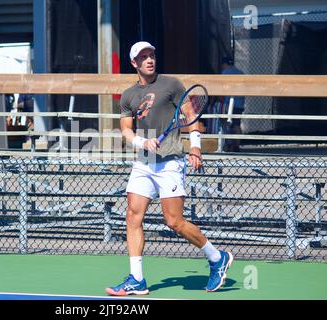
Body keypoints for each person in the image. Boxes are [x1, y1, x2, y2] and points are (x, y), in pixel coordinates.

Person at [105, 41, 233, 296]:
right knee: (132, 216)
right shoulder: (129, 95)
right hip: (144, 164)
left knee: (174, 221)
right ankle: (137, 280)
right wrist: (143, 142)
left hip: (171, 163)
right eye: (143, 57)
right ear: (134, 63)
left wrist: (195, 148)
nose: (150, 59)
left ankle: (217, 257)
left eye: (152, 54)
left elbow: (190, 117)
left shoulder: (172, 84)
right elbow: (126, 131)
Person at [220, 57, 245, 152]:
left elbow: (222, 89)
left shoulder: (225, 73)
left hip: (228, 103)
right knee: (236, 124)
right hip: (240, 103)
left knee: (226, 124)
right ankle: (237, 145)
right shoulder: (241, 73)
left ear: (225, 64)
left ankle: (227, 145)